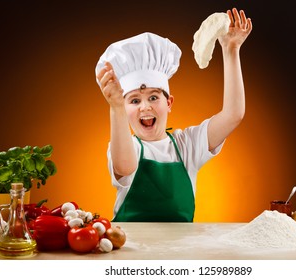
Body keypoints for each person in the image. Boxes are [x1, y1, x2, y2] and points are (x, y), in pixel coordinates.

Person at [95, 8, 252, 222]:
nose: (144, 107)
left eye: (153, 98)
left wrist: (231, 49)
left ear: (169, 103)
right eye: (134, 101)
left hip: (180, 251)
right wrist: (115, 107)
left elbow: (233, 114)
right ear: (124, 107)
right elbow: (125, 166)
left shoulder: (187, 145)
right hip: (129, 251)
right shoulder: (125, 146)